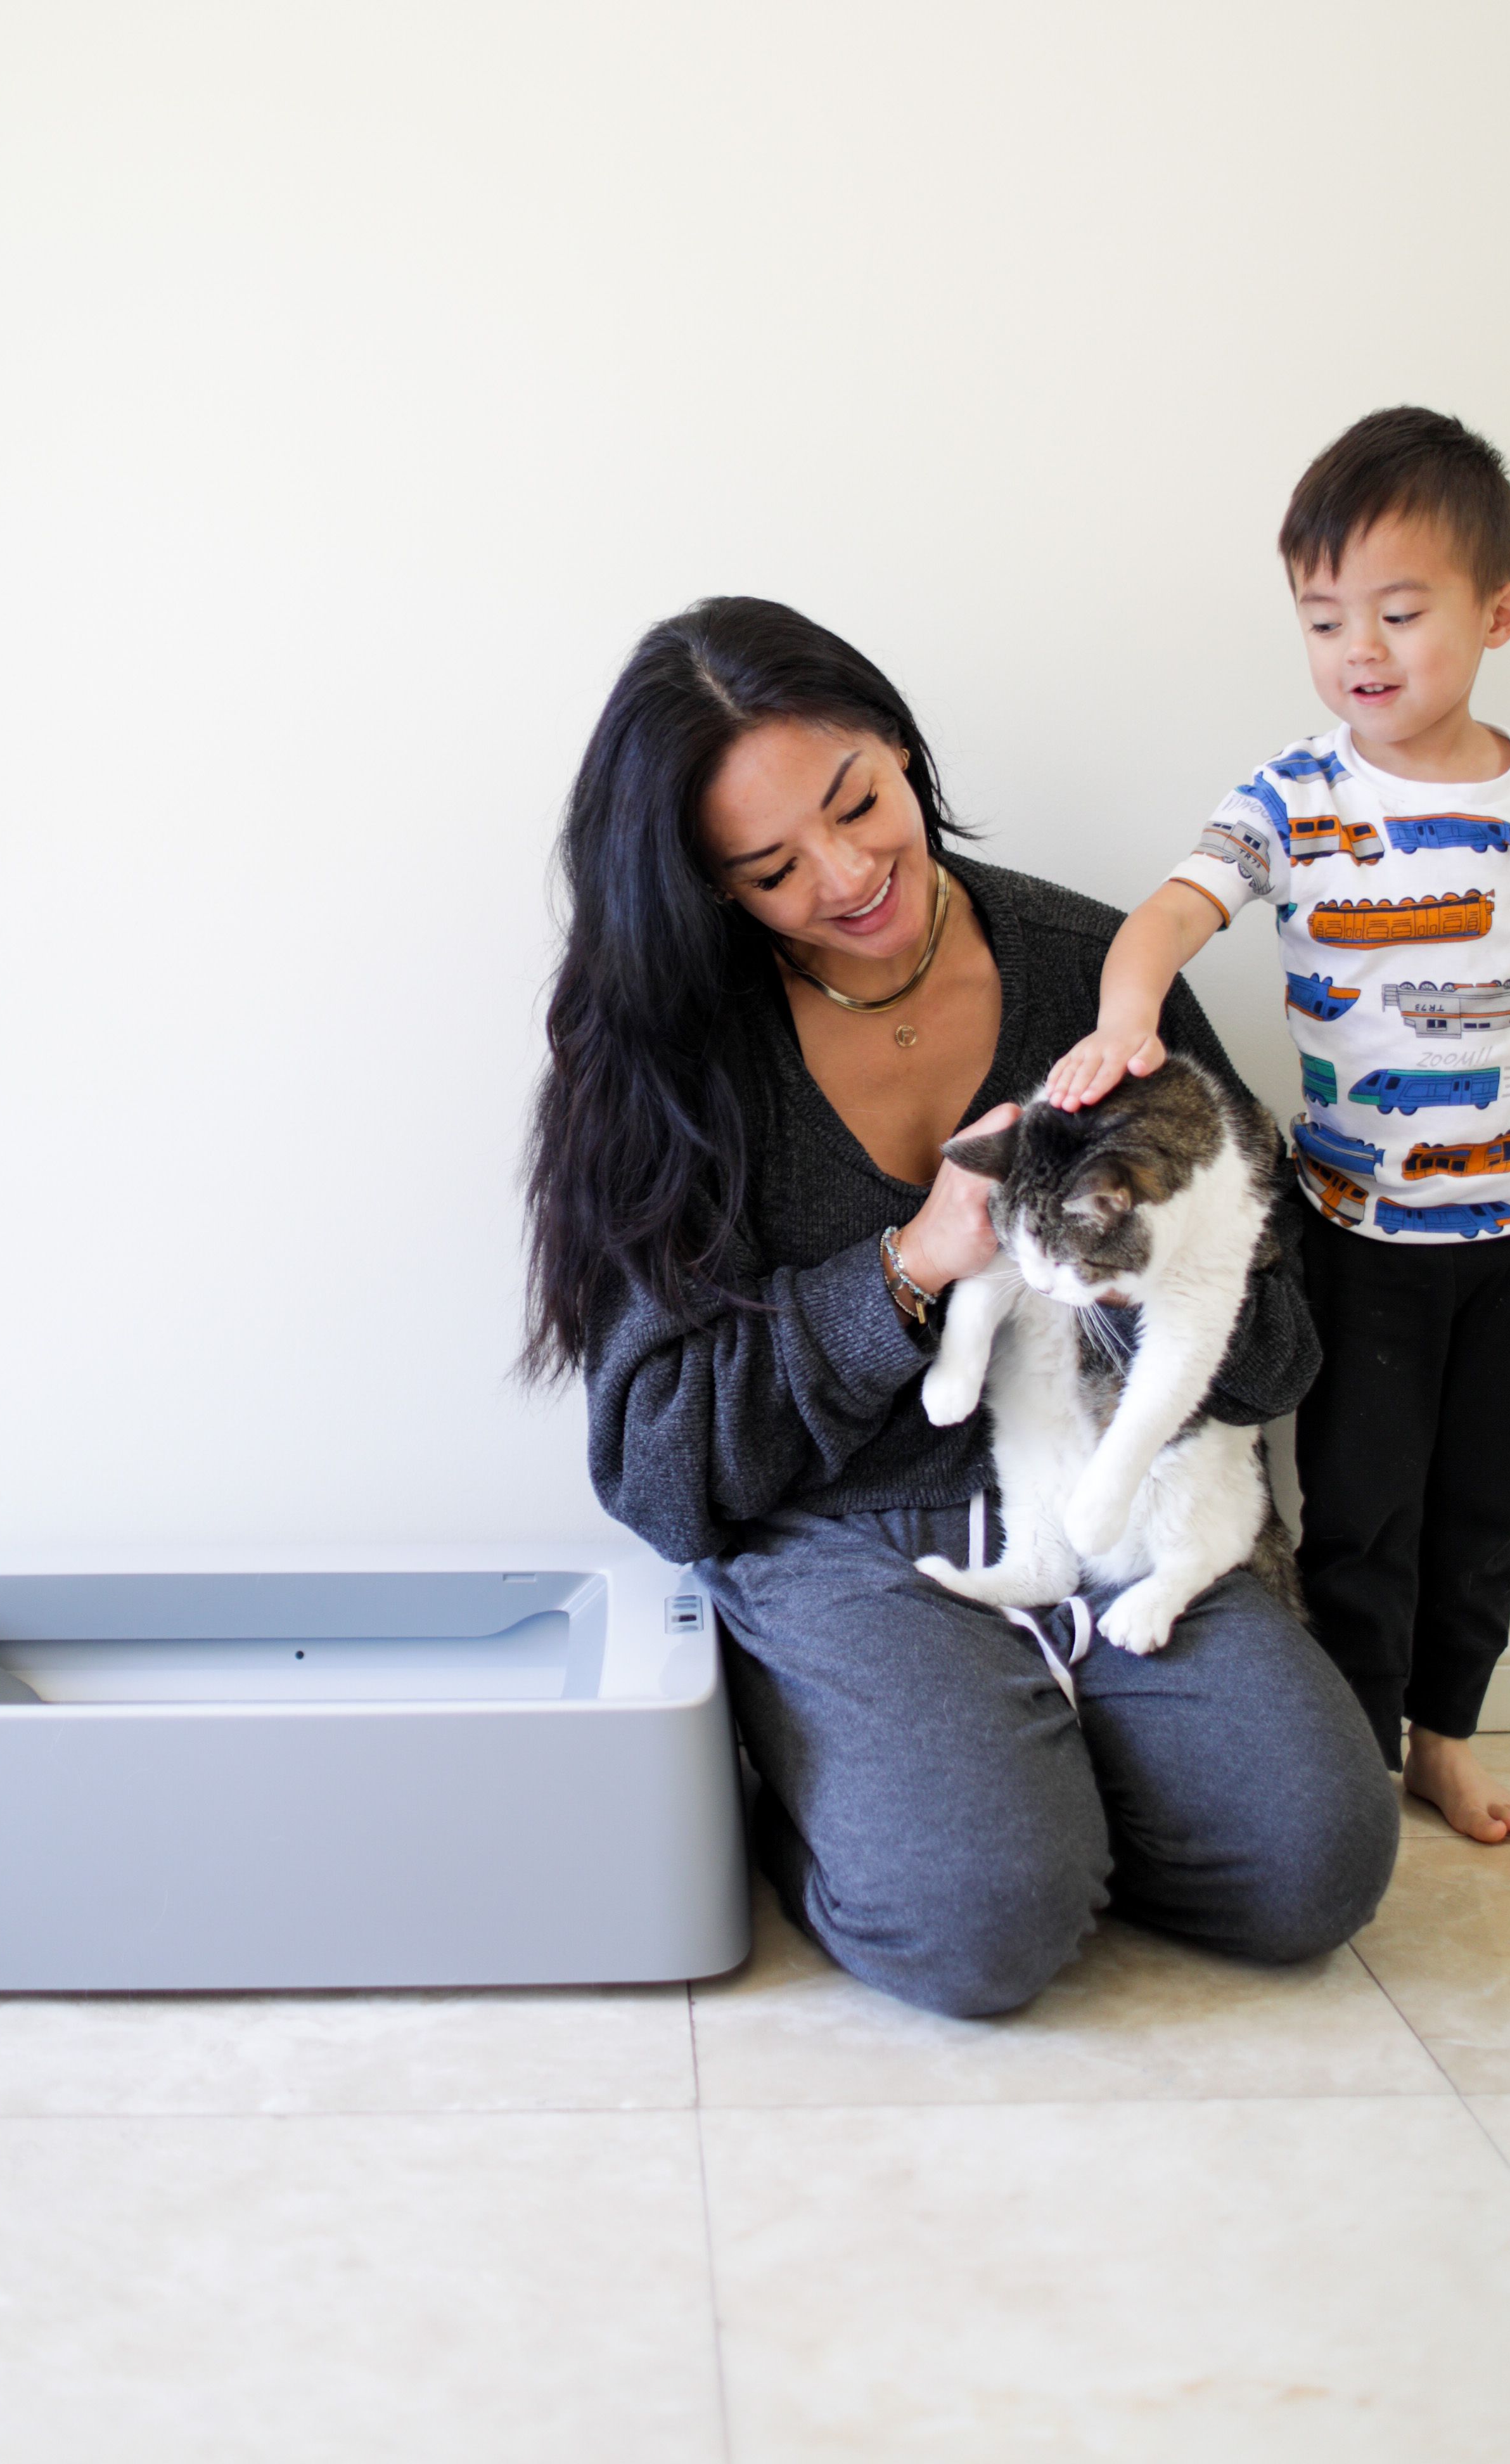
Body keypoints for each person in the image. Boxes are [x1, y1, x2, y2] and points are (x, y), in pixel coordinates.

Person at [523, 596, 1397, 2017]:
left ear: (897, 744)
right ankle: (918, 1786)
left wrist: (1167, 1267)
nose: (851, 872)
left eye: (860, 801)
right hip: (847, 1537)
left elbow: (1277, 1354)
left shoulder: (1100, 977)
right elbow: (657, 1472)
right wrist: (910, 1269)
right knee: (979, 1919)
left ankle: (1037, 1780)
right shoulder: (676, 1059)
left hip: (1123, 1499)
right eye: (769, 869)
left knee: (1315, 1865)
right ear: (710, 889)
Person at [1049, 407, 1510, 1844]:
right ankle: (1353, 1763)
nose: (1362, 648)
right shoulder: (1297, 797)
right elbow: (1172, 909)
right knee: (1364, 1511)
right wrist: (1129, 1008)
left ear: (1500, 612)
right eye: (1324, 618)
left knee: (1487, 1501)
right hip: (1367, 1233)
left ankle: (1447, 1738)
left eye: (1401, 612)